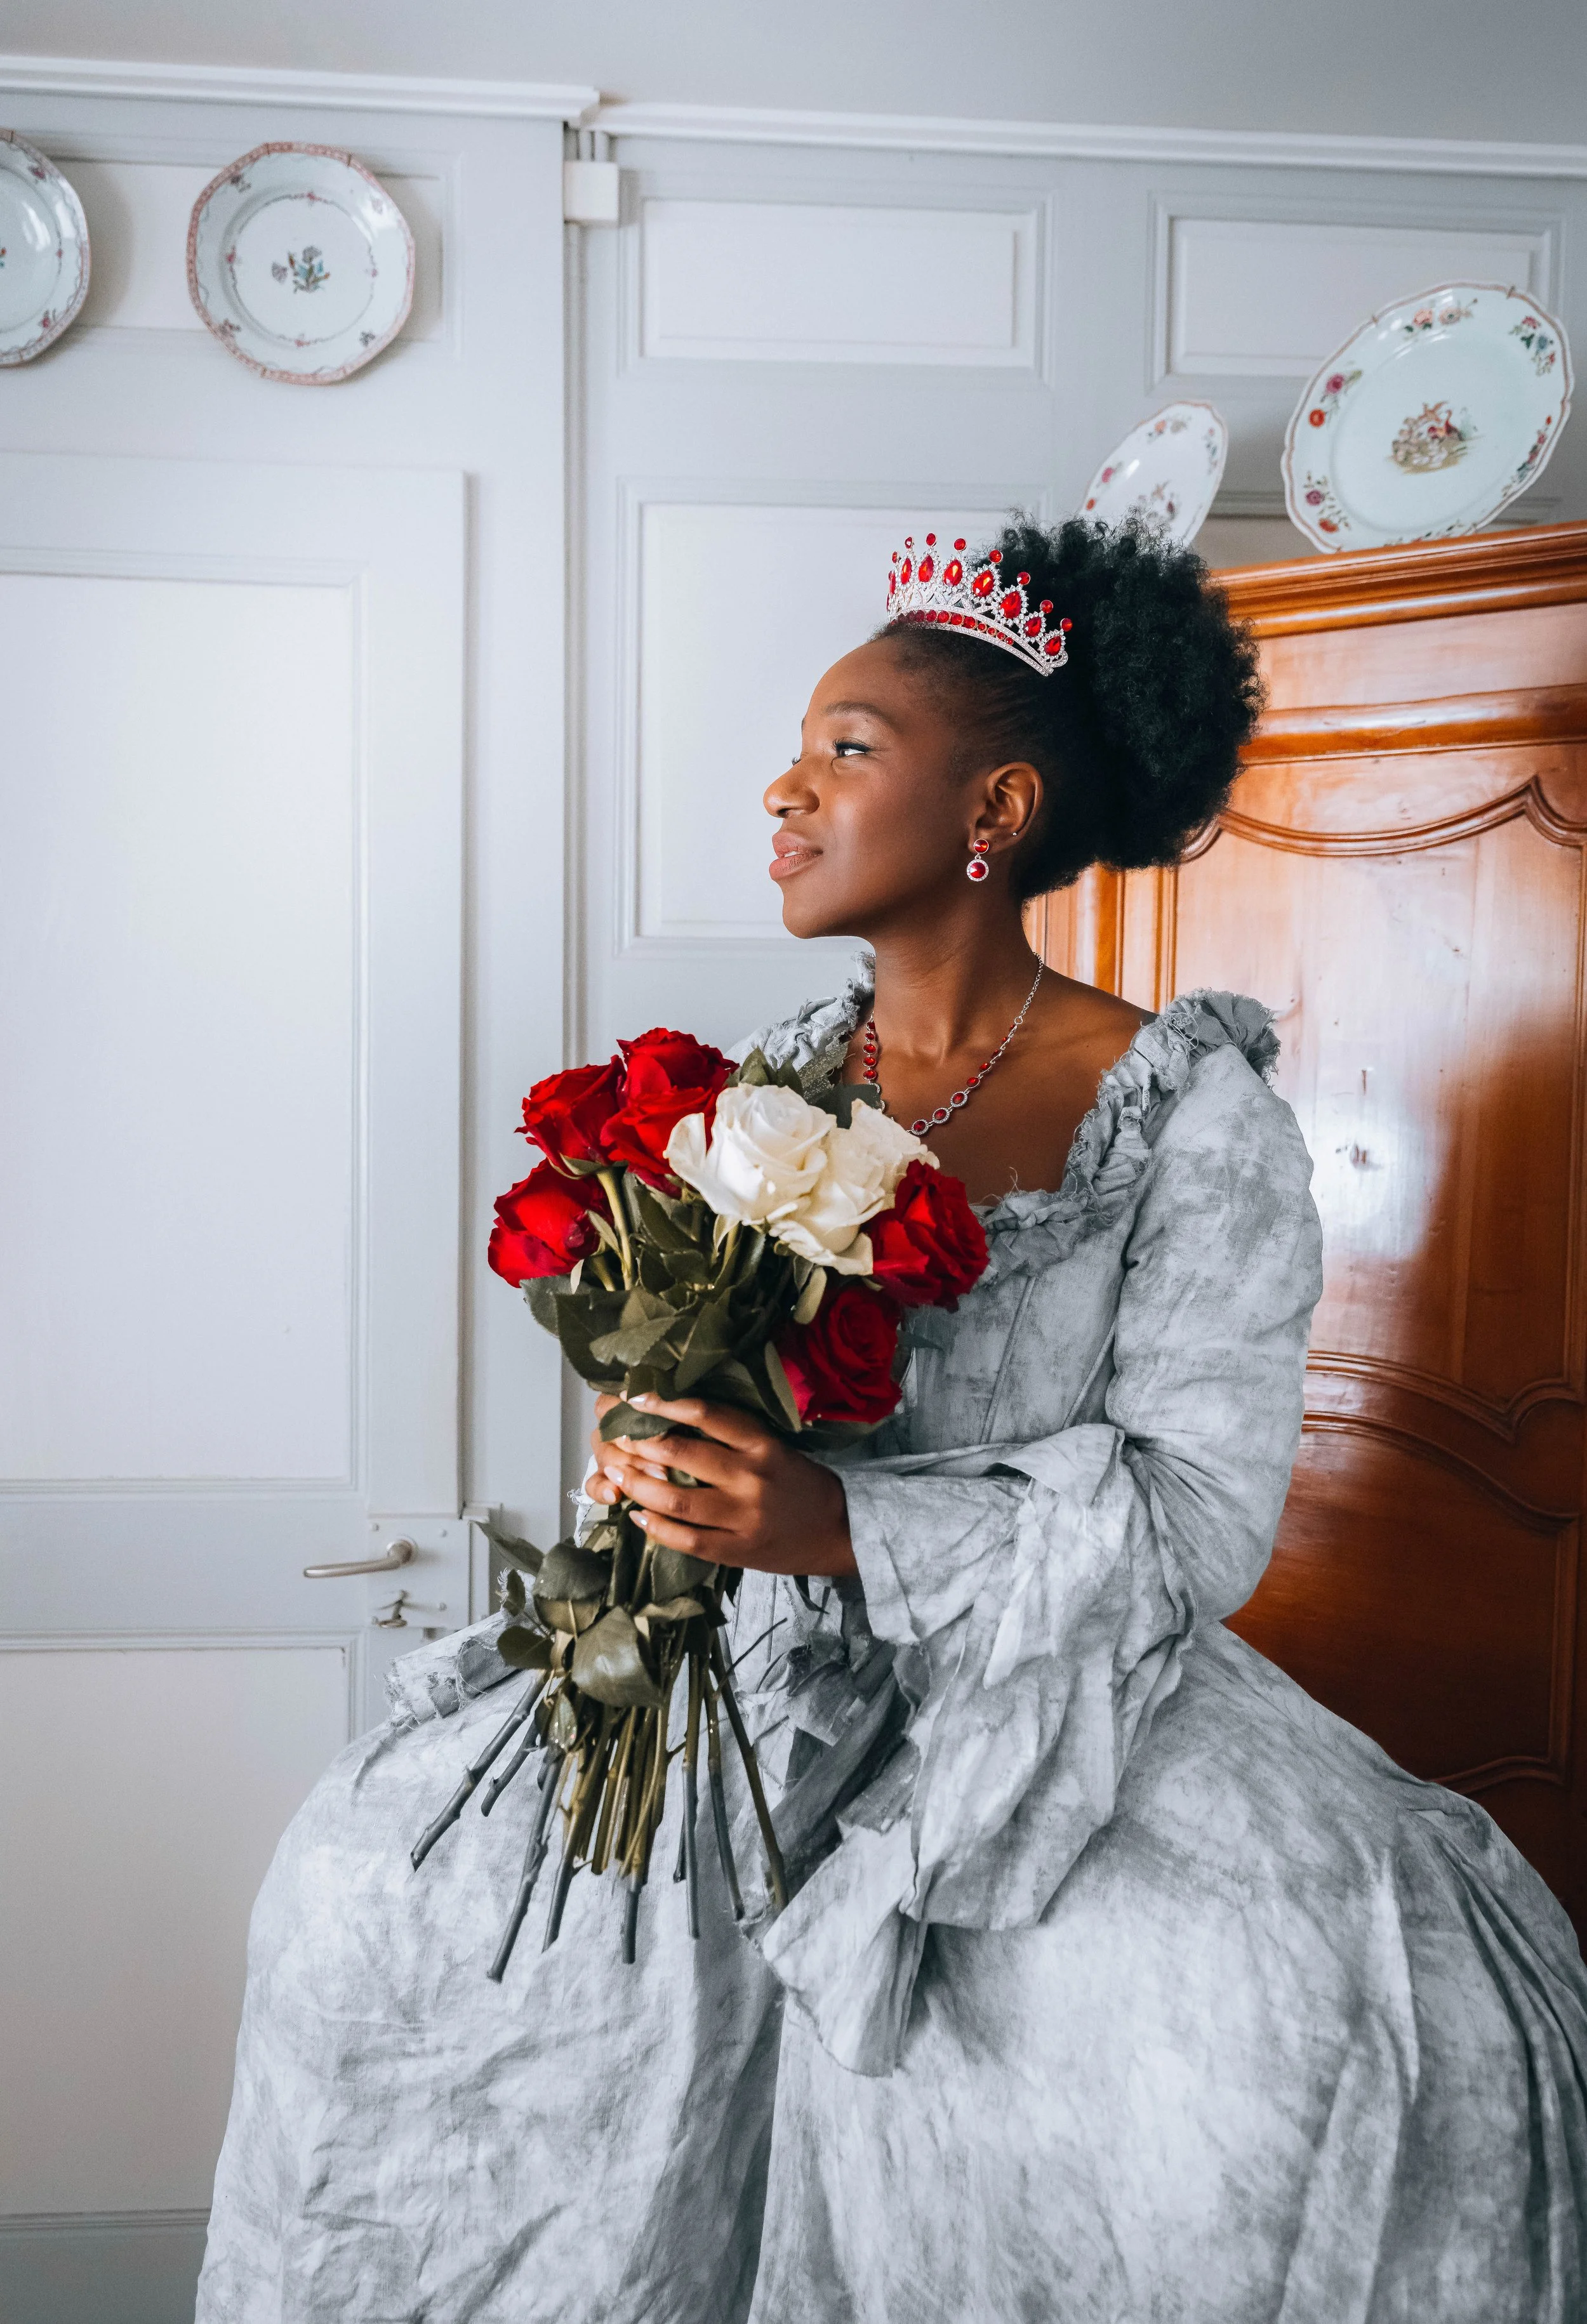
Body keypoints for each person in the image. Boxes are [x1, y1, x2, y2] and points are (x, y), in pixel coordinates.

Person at [199, 519, 1587, 2324]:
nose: (784, 786)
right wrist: (663, 1452)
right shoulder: (770, 1080)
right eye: (799, 748)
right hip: (745, 1672)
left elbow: (1194, 1519)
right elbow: (726, 1391)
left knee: (1248, 2029)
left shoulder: (1187, 1114)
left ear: (991, 810)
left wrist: (846, 1528)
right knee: (377, 1884)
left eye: (845, 747)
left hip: (1043, 1702)